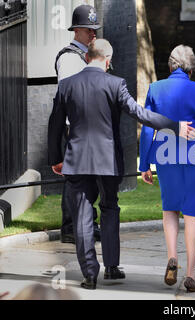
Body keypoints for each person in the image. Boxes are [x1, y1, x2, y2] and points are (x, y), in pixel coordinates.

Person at [48, 39, 195, 290]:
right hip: (107, 161)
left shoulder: (66, 85)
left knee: (82, 216)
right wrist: (174, 125)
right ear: (107, 60)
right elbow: (140, 113)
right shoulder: (115, 84)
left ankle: (89, 274)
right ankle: (112, 266)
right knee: (109, 208)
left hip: (77, 160)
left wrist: (56, 159)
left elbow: (54, 125)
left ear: (87, 58)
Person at [139, 45, 195, 293]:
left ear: (170, 66)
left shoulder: (155, 88)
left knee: (170, 209)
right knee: (192, 214)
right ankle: (190, 273)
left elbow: (147, 128)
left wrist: (144, 163)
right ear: (191, 69)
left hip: (165, 155)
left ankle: (172, 256)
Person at [55, 4, 103, 244]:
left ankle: (85, 223)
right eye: (88, 29)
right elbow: (70, 95)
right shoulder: (69, 58)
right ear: (76, 30)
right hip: (74, 127)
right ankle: (71, 226)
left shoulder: (87, 56)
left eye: (94, 29)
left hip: (87, 127)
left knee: (88, 178)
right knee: (74, 179)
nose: (93, 33)